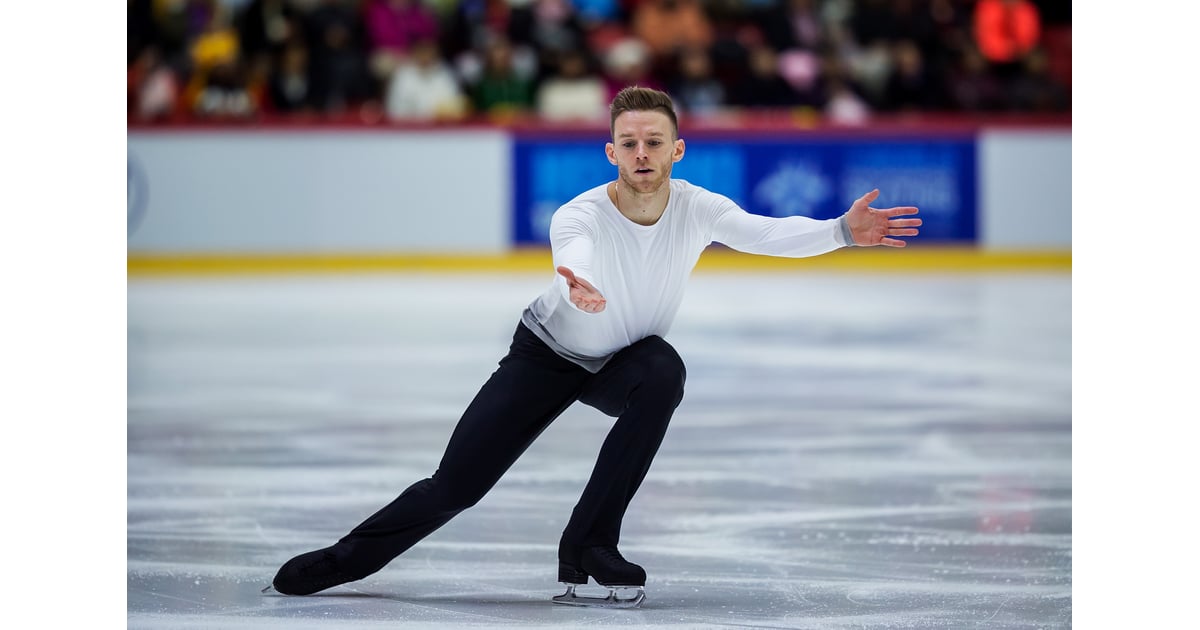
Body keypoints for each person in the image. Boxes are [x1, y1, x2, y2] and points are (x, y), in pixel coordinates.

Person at [266, 86, 921, 608]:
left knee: (663, 371)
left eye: (653, 142)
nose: (641, 152)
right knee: (454, 488)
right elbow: (571, 250)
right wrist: (573, 282)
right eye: (629, 142)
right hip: (546, 356)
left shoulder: (698, 208)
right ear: (611, 152)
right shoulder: (580, 215)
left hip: (623, 362)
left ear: (677, 151)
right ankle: (340, 562)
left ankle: (590, 544)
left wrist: (839, 230)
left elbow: (763, 233)